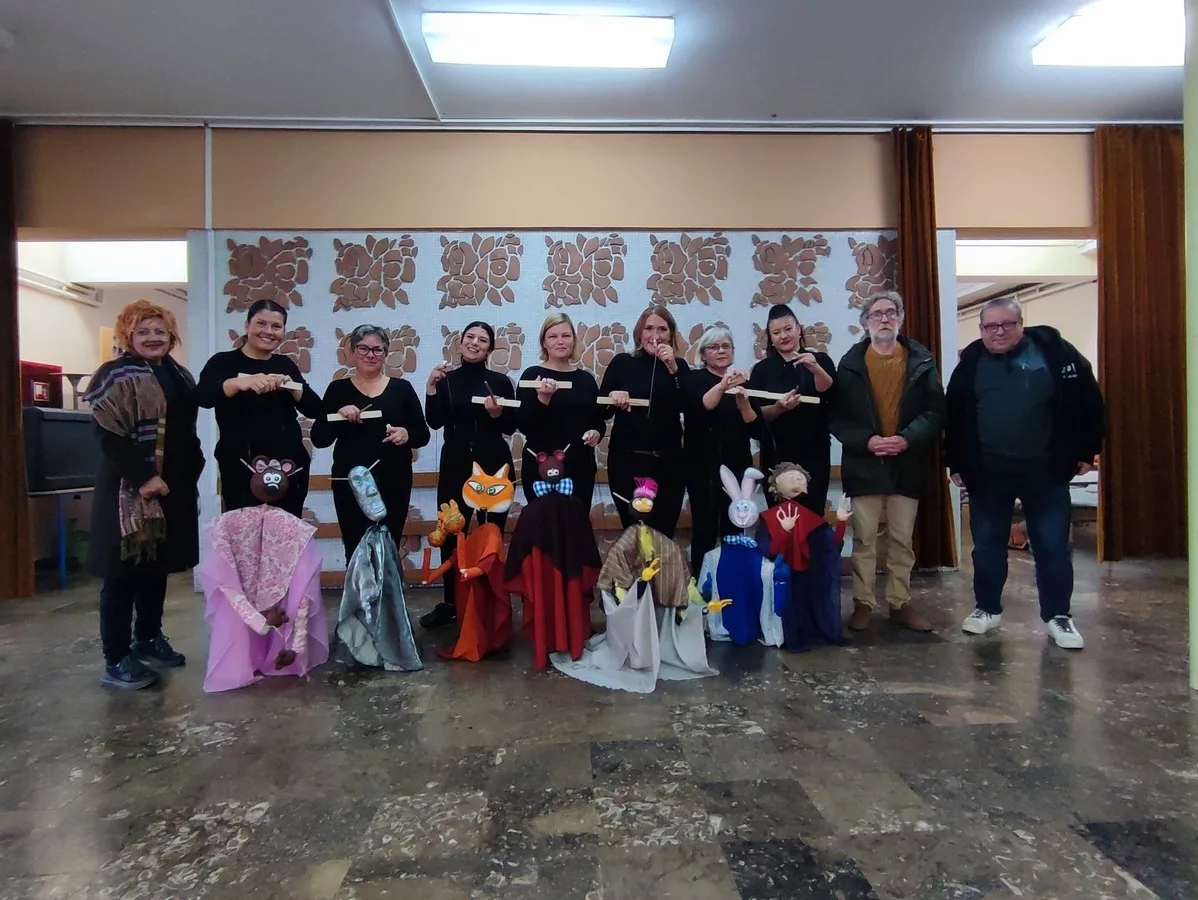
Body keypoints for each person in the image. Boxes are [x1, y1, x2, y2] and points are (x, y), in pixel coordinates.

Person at [944, 297, 1104, 650]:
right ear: (981, 329)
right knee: (987, 547)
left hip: (1045, 470)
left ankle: (1058, 616)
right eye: (990, 326)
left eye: (1007, 324)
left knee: (1052, 547)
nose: (998, 331)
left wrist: (1086, 451)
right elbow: (954, 416)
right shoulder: (971, 362)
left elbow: (1088, 401)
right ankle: (987, 609)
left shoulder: (1056, 352)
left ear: (1021, 324)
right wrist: (956, 462)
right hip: (988, 472)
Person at [85, 300, 204, 690]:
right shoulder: (114, 376)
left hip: (172, 488)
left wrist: (194, 467)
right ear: (127, 336)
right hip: (129, 492)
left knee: (156, 568)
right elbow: (109, 436)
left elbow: (185, 428)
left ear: (172, 336)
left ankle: (148, 638)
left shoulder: (178, 373)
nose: (153, 338)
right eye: (143, 332)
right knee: (123, 575)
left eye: (160, 331)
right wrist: (144, 477)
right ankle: (116, 658)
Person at [830, 291, 945, 633]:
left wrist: (906, 438)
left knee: (901, 540)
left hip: (907, 463)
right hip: (864, 464)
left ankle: (899, 603)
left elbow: (936, 411)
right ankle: (863, 604)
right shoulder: (849, 365)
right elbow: (837, 417)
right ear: (865, 322)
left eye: (891, 312)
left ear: (900, 318)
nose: (884, 318)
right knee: (864, 540)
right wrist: (867, 440)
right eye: (877, 313)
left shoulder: (921, 362)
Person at [420, 321, 517, 629]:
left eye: (483, 340)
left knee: (492, 535)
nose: (475, 343)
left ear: (490, 348)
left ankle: (491, 601)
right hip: (455, 464)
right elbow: (434, 421)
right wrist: (431, 388)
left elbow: (511, 426)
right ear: (460, 343)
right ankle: (451, 603)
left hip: (494, 467)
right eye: (470, 337)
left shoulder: (500, 381)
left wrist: (497, 414)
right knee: (451, 533)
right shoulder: (446, 379)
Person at [310, 324, 430, 561]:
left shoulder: (402, 389)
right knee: (355, 549)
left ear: (386, 353)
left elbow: (422, 434)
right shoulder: (338, 389)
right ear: (352, 352)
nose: (370, 355)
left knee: (389, 546)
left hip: (394, 481)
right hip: (350, 483)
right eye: (363, 349)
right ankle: (358, 587)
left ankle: (387, 587)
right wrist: (338, 415)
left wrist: (406, 434)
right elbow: (319, 439)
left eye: (377, 349)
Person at [196, 299, 323, 518]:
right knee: (245, 530)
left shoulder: (285, 365)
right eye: (261, 323)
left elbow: (315, 409)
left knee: (285, 530)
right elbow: (202, 396)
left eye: (276, 326)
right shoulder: (223, 362)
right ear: (247, 325)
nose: (269, 331)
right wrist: (237, 383)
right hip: (241, 465)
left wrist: (292, 386)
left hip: (288, 465)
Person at [599, 305, 690, 536]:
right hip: (627, 464)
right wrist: (613, 397)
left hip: (668, 465)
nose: (655, 335)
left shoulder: (680, 367)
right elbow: (600, 411)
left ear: (671, 334)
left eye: (662, 329)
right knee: (635, 534)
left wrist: (673, 368)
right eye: (649, 328)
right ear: (639, 332)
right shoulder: (622, 362)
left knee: (664, 534)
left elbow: (688, 405)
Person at [748, 304, 837, 515]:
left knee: (812, 519)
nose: (783, 336)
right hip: (776, 454)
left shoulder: (820, 360)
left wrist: (815, 369)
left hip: (814, 453)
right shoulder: (761, 370)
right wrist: (778, 408)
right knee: (781, 520)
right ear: (770, 338)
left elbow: (830, 394)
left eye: (788, 329)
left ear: (799, 329)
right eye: (776, 332)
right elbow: (754, 418)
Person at [684, 325, 759, 573]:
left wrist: (744, 402)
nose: (721, 351)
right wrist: (723, 385)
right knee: (705, 530)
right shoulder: (694, 379)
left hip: (737, 467)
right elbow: (701, 408)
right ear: (703, 354)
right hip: (702, 468)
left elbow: (755, 426)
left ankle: (732, 583)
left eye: (726, 346)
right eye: (714, 347)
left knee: (735, 528)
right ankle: (701, 586)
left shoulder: (744, 383)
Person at [515, 313, 605, 506]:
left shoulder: (586, 379)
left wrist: (596, 432)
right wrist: (543, 398)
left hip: (580, 467)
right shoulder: (532, 376)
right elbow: (523, 424)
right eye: (553, 336)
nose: (560, 341)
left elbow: (597, 420)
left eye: (566, 335)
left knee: (577, 520)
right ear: (544, 343)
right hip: (541, 466)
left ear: (573, 340)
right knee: (542, 521)